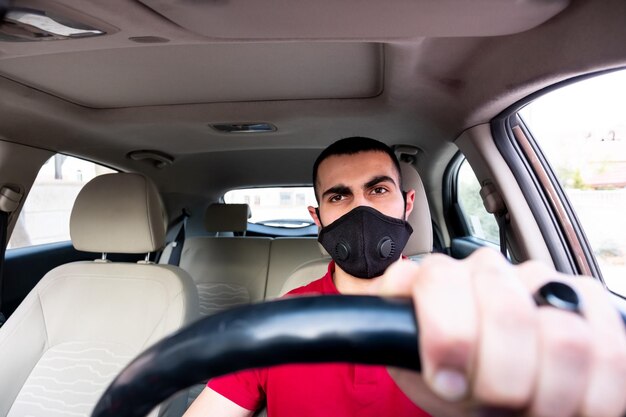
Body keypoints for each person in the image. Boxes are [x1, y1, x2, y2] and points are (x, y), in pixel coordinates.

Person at [184, 137, 626, 417]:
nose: (363, 211)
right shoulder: (273, 323)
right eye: (340, 196)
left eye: (378, 190)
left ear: (407, 203)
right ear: (317, 218)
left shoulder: (467, 311)